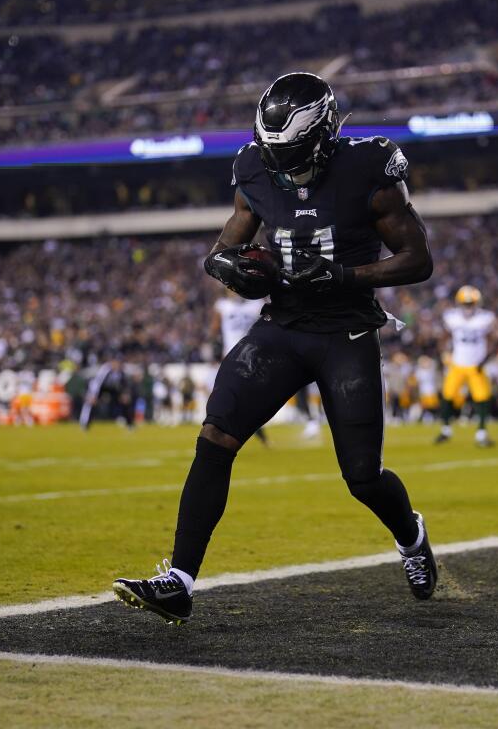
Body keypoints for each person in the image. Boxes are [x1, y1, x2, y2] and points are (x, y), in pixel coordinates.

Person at [113, 72, 437, 624]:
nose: (285, 167)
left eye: (295, 154)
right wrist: (225, 265)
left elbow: (417, 260)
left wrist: (340, 274)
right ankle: (180, 581)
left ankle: (411, 537)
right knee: (216, 435)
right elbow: (227, 244)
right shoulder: (255, 166)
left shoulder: (370, 167)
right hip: (282, 326)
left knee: (362, 476)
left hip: (346, 332)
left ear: (326, 135)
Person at [435, 285, 497, 447]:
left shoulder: (486, 318)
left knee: (482, 398)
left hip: (476, 365)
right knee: (447, 395)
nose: (468, 307)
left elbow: (493, 340)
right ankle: (446, 430)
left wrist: (485, 360)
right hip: (457, 363)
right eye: (465, 303)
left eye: (471, 303)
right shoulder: (452, 317)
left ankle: (481, 433)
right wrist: (444, 352)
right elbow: (444, 336)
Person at [210, 290, 269, 445]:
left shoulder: (257, 305)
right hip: (231, 356)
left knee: (248, 399)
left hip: (253, 357)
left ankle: (233, 430)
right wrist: (215, 349)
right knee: (233, 397)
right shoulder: (222, 305)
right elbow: (214, 330)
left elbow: (270, 325)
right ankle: (225, 429)